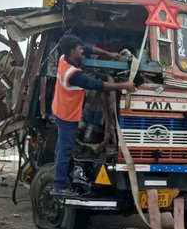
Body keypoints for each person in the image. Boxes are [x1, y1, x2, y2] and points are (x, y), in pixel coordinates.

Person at [51, 35, 135, 196]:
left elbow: (89, 48)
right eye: (79, 49)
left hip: (60, 109)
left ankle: (63, 178)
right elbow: (98, 85)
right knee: (64, 150)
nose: (82, 51)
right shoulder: (72, 74)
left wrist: (110, 54)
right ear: (71, 52)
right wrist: (125, 85)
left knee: (62, 148)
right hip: (67, 115)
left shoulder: (64, 57)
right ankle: (60, 186)